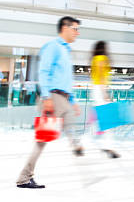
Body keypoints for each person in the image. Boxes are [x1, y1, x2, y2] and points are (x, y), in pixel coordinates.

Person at [16, 16, 84, 189]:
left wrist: (74, 100)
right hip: (53, 97)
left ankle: (75, 143)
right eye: (75, 29)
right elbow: (44, 72)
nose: (78, 32)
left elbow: (67, 79)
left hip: (63, 98)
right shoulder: (53, 47)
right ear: (65, 28)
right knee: (42, 140)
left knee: (67, 121)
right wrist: (46, 97)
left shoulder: (66, 51)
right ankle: (24, 178)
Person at [90, 41, 120, 159]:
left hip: (95, 90)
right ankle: (109, 148)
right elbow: (102, 77)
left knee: (99, 120)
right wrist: (105, 93)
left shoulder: (94, 59)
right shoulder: (102, 58)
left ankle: (83, 143)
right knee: (108, 121)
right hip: (100, 90)